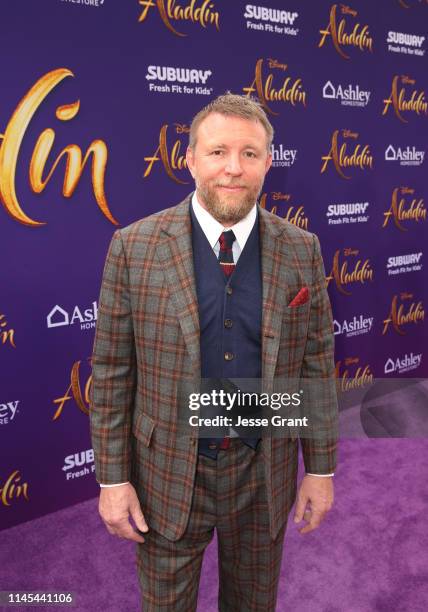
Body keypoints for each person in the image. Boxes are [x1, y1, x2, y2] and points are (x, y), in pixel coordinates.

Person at [90, 93, 339, 611]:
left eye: (250, 154)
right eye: (218, 151)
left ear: (269, 163)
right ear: (190, 160)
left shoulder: (302, 249)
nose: (233, 168)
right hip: (167, 474)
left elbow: (315, 364)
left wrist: (319, 469)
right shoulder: (133, 248)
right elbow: (113, 373)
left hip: (262, 472)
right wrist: (113, 479)